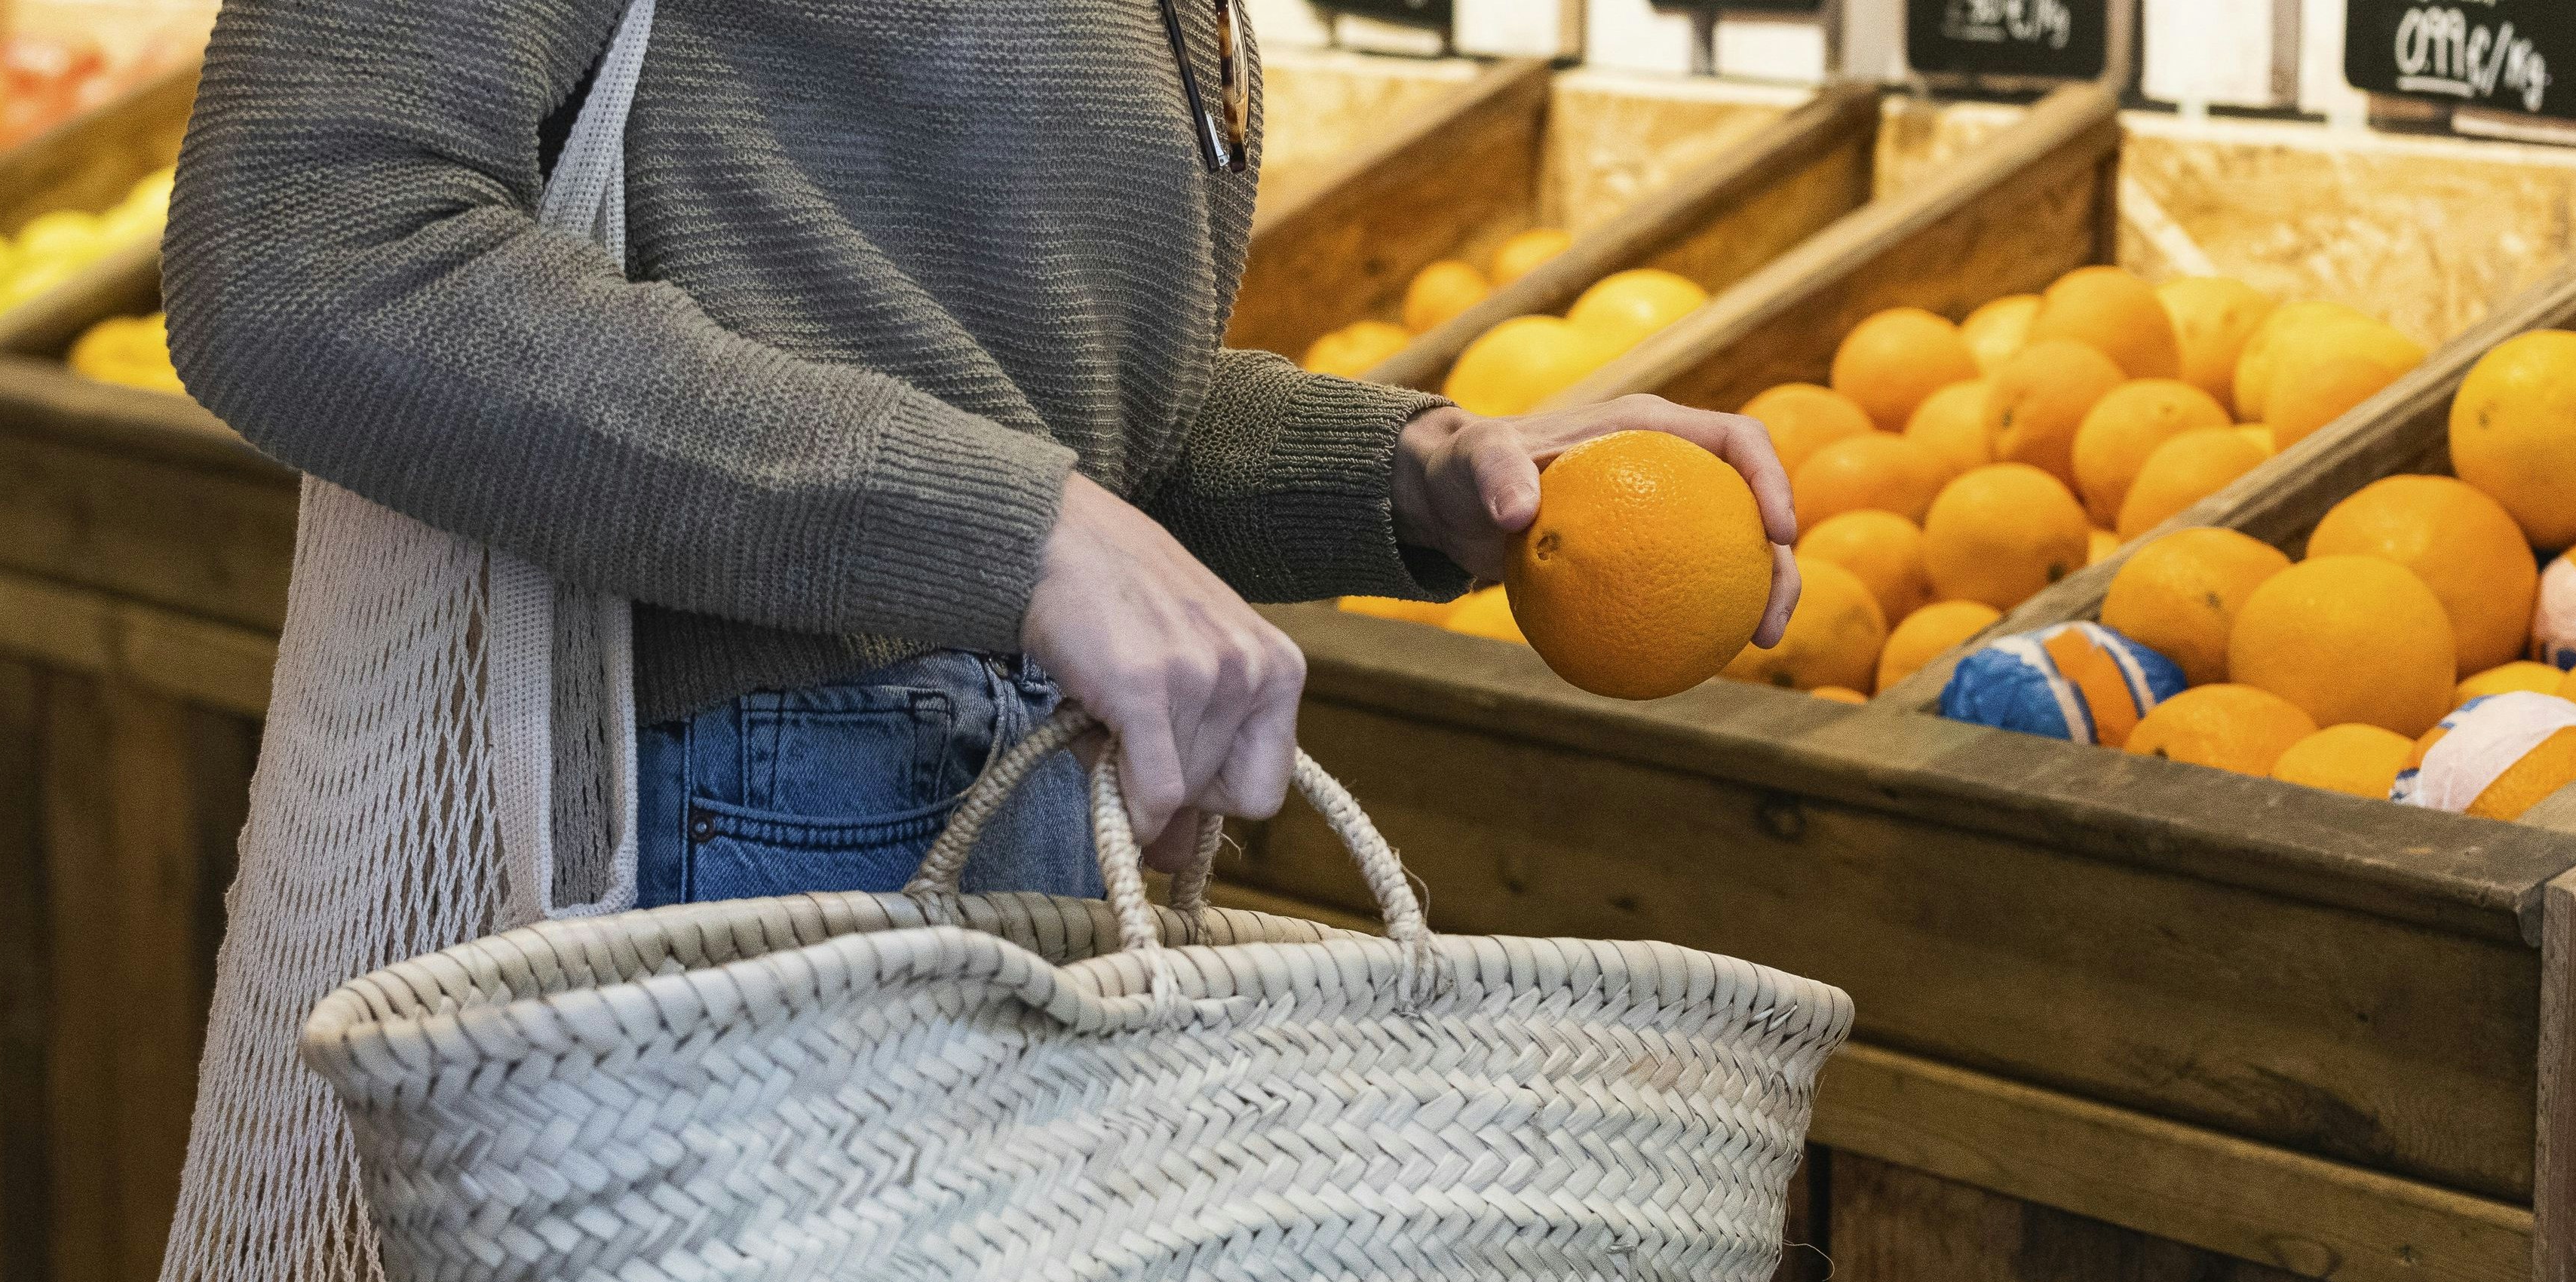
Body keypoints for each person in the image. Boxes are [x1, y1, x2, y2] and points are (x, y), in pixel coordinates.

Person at [164, 0, 1799, 908]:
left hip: (1003, 810)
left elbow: (1031, 409)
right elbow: (309, 248)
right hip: (752, 829)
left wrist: (1413, 471)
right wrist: (1018, 536)